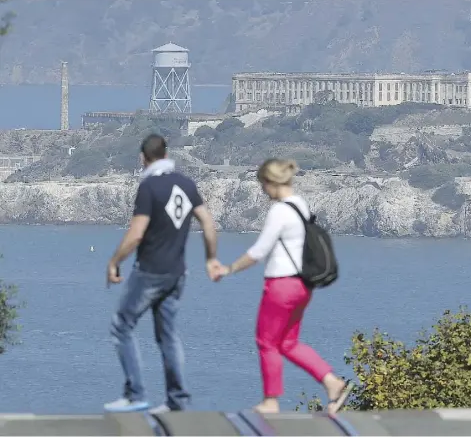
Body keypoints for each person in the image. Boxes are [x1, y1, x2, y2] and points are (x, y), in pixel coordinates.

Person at [213, 158, 353, 414]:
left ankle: (271, 401)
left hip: (281, 285)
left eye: (263, 185)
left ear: (270, 183)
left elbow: (259, 251)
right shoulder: (300, 205)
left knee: (266, 341)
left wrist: (229, 269)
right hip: (303, 286)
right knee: (287, 343)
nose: (264, 191)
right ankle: (332, 382)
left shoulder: (279, 211)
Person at [104, 134, 222, 413]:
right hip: (177, 273)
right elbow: (207, 223)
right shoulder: (186, 184)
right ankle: (177, 400)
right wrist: (211, 258)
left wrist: (114, 262)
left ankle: (135, 394)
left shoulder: (149, 187)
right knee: (168, 335)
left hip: (150, 271)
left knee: (122, 325)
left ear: (143, 158)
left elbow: (136, 234)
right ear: (166, 153)